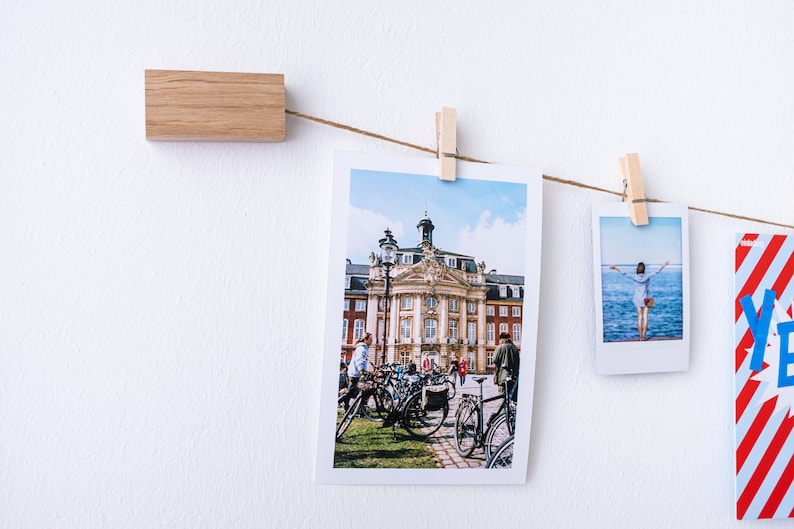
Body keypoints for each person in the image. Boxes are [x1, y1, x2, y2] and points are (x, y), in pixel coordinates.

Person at [609, 260, 670, 341]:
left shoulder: (635, 277)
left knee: (639, 318)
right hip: (646, 300)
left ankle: (640, 336)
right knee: (646, 318)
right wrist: (664, 265)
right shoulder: (647, 276)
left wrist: (615, 268)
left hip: (638, 300)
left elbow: (624, 273)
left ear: (637, 269)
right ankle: (644, 336)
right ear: (644, 269)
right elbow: (656, 271)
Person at [340, 332, 372, 409]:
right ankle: (335, 403)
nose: (372, 341)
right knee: (350, 393)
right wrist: (362, 373)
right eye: (370, 339)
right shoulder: (362, 348)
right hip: (355, 373)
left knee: (353, 392)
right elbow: (359, 361)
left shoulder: (363, 348)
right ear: (365, 339)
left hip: (355, 373)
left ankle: (349, 408)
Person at [493, 332, 520, 401]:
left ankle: (505, 411)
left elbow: (494, 360)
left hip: (502, 376)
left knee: (503, 397)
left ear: (503, 339)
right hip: (514, 376)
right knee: (513, 396)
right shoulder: (515, 348)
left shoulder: (499, 347)